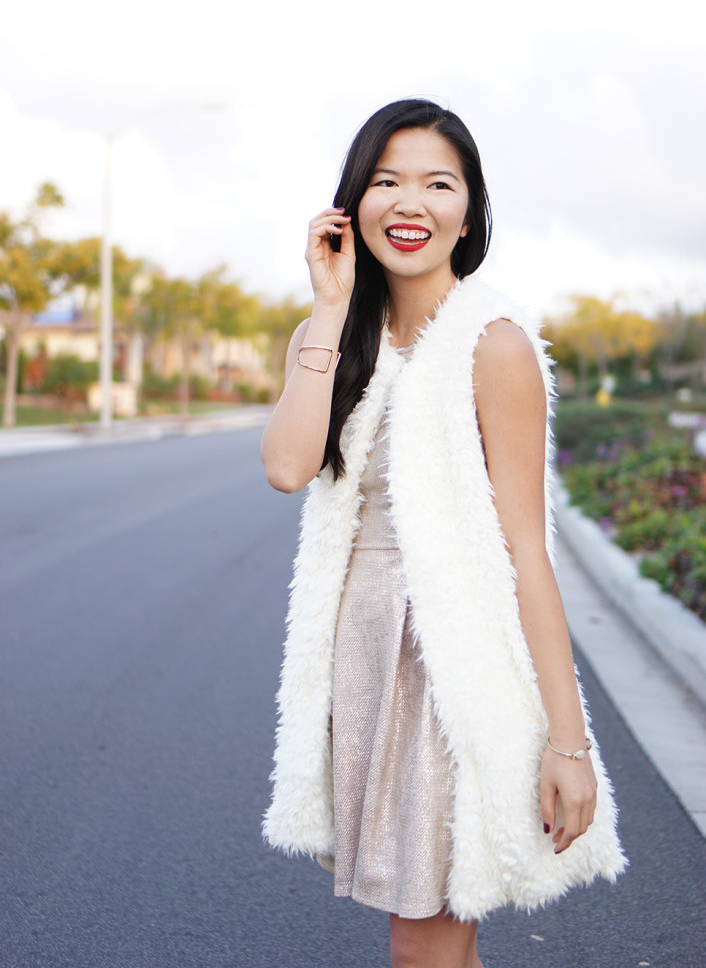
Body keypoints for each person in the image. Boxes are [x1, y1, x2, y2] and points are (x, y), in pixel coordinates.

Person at [260, 99, 625, 968]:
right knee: (430, 940)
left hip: (446, 666)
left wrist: (567, 744)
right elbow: (285, 466)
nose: (409, 202)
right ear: (352, 204)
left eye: (437, 183)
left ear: (469, 211)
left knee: (422, 942)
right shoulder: (330, 338)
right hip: (361, 659)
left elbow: (525, 551)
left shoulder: (492, 347)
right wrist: (327, 306)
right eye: (385, 181)